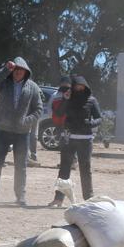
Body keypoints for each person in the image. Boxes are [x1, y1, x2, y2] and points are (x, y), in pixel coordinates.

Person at [0, 57, 42, 205]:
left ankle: (20, 196)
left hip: (22, 133)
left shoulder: (33, 87)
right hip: (3, 130)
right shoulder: (4, 83)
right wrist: (5, 70)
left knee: (21, 165)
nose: (18, 72)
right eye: (15, 70)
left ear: (26, 71)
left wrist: (26, 121)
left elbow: (39, 109)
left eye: (21, 70)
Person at [48, 76, 102, 207]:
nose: (79, 89)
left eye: (81, 87)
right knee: (64, 169)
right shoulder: (68, 99)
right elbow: (59, 113)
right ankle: (58, 199)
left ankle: (88, 199)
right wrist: (65, 99)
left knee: (85, 169)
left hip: (85, 140)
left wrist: (91, 123)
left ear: (86, 87)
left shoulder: (92, 100)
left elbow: (99, 118)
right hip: (69, 139)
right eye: (76, 87)